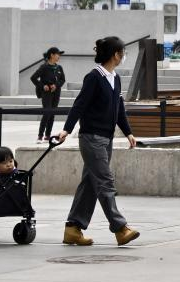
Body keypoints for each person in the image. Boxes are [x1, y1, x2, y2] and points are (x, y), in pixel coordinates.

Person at [56, 36, 140, 247]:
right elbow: (80, 104)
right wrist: (67, 129)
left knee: (91, 183)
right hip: (91, 138)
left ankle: (73, 228)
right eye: (123, 53)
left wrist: (128, 132)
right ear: (115, 55)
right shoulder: (94, 77)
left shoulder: (115, 78)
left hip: (106, 138)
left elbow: (119, 108)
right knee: (105, 181)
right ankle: (120, 228)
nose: (124, 56)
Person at [30, 47, 66, 143]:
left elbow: (62, 80)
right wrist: (42, 86)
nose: (59, 56)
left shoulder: (59, 68)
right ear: (52, 55)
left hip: (56, 93)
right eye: (58, 54)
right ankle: (40, 136)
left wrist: (56, 85)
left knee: (52, 114)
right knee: (46, 113)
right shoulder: (44, 67)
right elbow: (33, 78)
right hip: (46, 93)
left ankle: (47, 136)